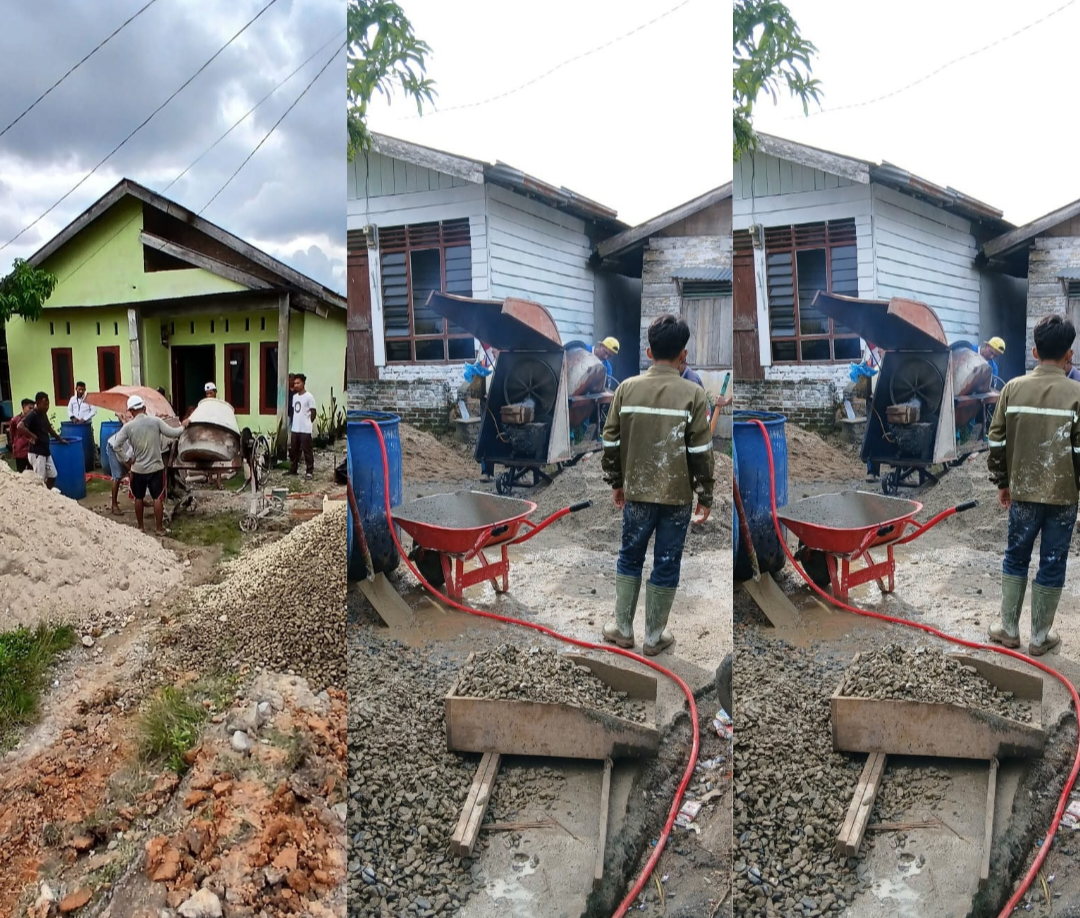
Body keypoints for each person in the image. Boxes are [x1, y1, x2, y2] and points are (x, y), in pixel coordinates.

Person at [600, 315, 713, 656]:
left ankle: (622, 630)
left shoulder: (626, 389)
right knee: (666, 560)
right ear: (684, 355)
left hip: (636, 493)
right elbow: (701, 451)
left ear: (649, 352)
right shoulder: (694, 394)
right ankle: (653, 637)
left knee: (630, 556)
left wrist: (616, 482)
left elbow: (610, 442)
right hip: (677, 498)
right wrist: (705, 494)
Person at [987, 314, 1080, 656]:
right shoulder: (1077, 394)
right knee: (1052, 561)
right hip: (1063, 497)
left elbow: (996, 441)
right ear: (1069, 354)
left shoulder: (1012, 389)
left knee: (1016, 556)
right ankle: (1040, 637)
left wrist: (1002, 482)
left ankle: (1009, 630)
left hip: (1023, 493)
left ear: (1034, 351)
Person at [111, 395, 188, 535]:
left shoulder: (128, 427)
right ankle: (159, 528)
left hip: (138, 469)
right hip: (156, 468)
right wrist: (184, 425)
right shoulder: (156, 422)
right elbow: (174, 433)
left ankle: (140, 527)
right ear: (144, 408)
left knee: (138, 498)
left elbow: (116, 446)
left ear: (131, 411)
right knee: (157, 498)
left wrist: (127, 459)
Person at [21, 392, 63, 488]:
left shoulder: (43, 414)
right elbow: (20, 427)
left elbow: (49, 428)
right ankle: (37, 495)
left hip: (45, 451)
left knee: (53, 475)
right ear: (38, 403)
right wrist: (33, 436)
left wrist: (60, 439)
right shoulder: (32, 414)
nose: (47, 407)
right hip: (37, 452)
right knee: (39, 480)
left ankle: (47, 493)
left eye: (48, 404)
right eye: (44, 404)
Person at [288, 374, 317, 480]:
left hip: (305, 429)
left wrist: (308, 423)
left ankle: (309, 471)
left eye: (298, 383)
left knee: (307, 451)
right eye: (294, 383)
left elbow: (313, 412)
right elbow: (294, 411)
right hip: (295, 428)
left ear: (303, 383)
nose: (296, 385)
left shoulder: (309, 397)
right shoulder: (295, 397)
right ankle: (293, 469)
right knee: (294, 450)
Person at [104, 418, 133, 516]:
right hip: (113, 447)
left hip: (122, 449)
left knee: (134, 474)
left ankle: (139, 499)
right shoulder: (133, 441)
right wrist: (130, 471)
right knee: (117, 476)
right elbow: (124, 459)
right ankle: (114, 505)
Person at [10, 398, 34, 472]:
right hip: (20, 451)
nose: (32, 410)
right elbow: (12, 434)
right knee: (21, 472)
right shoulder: (15, 420)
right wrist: (15, 446)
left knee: (32, 472)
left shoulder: (33, 420)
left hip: (31, 450)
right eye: (30, 408)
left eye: (33, 408)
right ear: (23, 407)